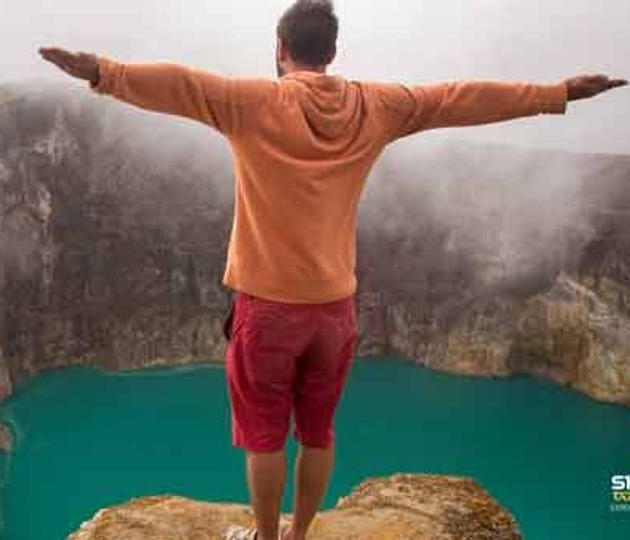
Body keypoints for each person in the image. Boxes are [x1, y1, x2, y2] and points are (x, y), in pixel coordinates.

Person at [39, 1, 626, 538]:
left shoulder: (252, 103)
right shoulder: (377, 105)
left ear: (279, 45)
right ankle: (301, 534)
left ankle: (269, 538)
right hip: (334, 311)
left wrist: (102, 71)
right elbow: (457, 98)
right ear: (333, 52)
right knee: (318, 430)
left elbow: (181, 85)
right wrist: (557, 92)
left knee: (264, 436)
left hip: (266, 310)